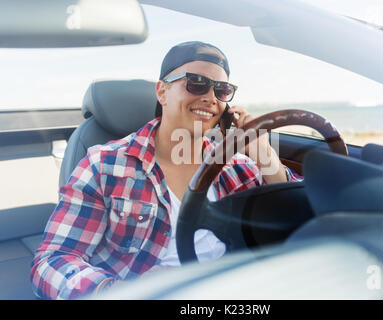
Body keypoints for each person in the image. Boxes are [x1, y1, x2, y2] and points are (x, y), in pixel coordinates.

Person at [30, 41, 302, 299]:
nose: (210, 98)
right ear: (162, 92)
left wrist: (264, 154)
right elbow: (51, 262)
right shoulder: (105, 165)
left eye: (221, 90)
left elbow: (302, 210)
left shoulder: (236, 167)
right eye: (196, 84)